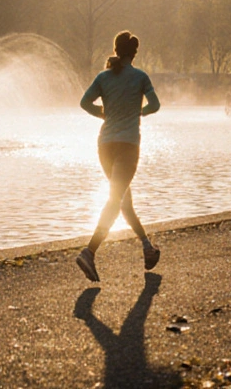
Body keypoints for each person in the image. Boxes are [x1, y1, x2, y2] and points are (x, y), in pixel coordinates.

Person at [76, 31, 161, 282]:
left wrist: (104, 113)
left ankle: (148, 248)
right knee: (116, 200)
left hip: (105, 145)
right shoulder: (140, 77)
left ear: (116, 49)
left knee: (123, 201)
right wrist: (137, 113)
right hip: (127, 144)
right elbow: (155, 105)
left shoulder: (103, 77)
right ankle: (89, 252)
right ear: (133, 53)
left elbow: (84, 103)